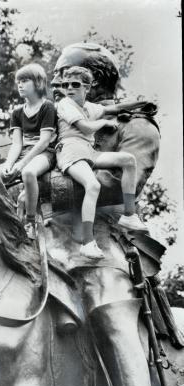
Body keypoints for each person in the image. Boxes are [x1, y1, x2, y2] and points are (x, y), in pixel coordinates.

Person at [50, 42, 162, 386]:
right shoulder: (58, 118)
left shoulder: (138, 128)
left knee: (107, 298)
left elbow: (114, 189)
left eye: (65, 73)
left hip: (100, 235)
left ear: (91, 80)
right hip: (43, 233)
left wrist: (45, 187)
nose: (57, 81)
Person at [56, 65, 148, 260]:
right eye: (66, 85)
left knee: (128, 160)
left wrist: (140, 104)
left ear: (87, 88)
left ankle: (129, 216)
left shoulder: (89, 107)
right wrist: (104, 123)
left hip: (89, 152)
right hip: (71, 151)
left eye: (75, 84)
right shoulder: (64, 104)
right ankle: (87, 244)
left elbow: (112, 108)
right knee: (93, 185)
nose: (69, 88)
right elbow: (86, 128)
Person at [0, 63, 57, 239]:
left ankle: (30, 222)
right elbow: (17, 144)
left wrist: (21, 164)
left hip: (44, 153)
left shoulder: (47, 107)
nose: (20, 85)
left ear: (38, 83)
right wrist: (9, 164)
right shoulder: (17, 112)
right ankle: (1, 220)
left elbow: (44, 142)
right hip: (24, 152)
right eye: (18, 81)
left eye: (25, 80)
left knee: (29, 172)